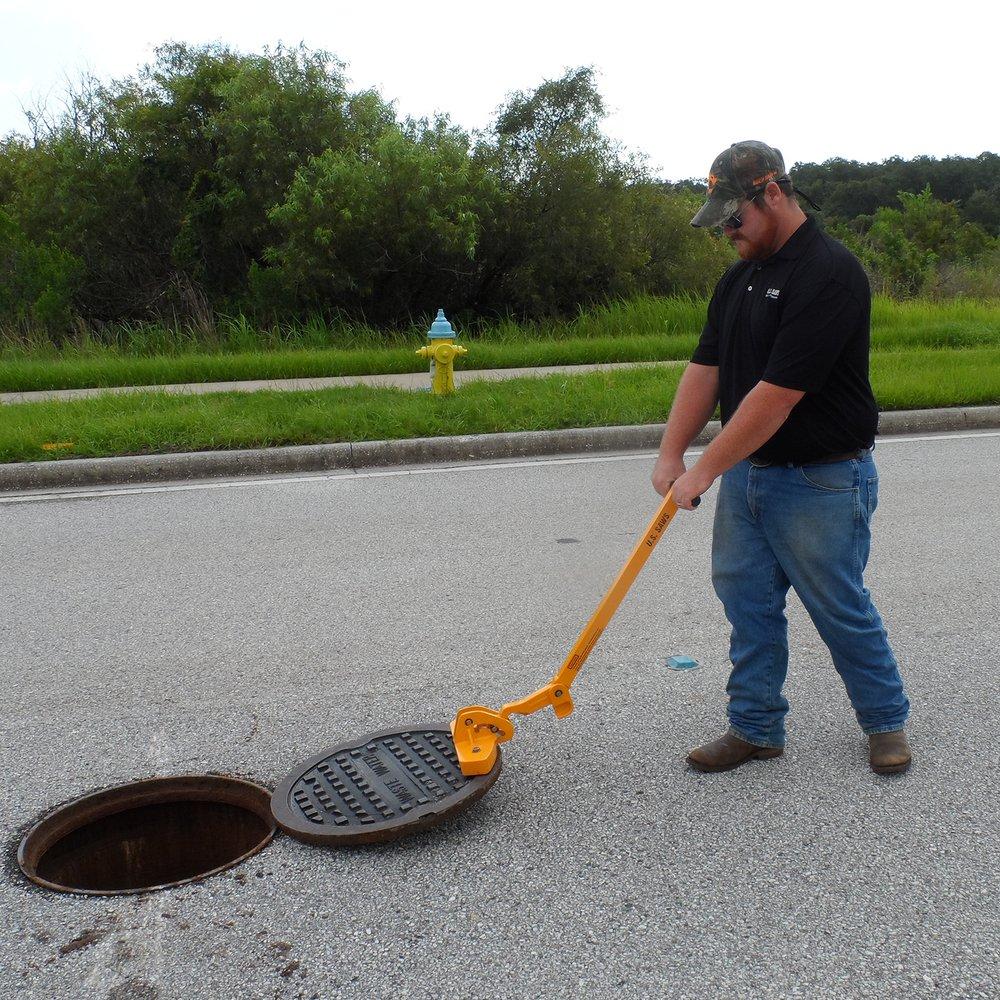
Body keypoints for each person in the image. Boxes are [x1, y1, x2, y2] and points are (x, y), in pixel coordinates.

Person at [652, 140, 911, 775]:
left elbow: (779, 396)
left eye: (733, 219)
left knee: (838, 605)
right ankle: (755, 726)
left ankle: (884, 723)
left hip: (820, 477)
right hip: (748, 477)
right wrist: (671, 455)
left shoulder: (828, 272)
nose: (727, 235)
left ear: (772, 194)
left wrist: (703, 470)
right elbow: (706, 367)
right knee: (748, 602)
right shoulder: (739, 278)